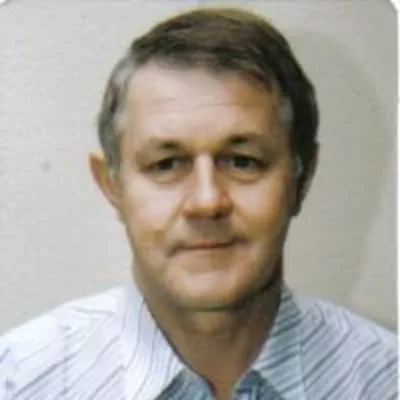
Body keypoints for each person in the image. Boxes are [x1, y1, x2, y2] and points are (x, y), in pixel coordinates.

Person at [0, 7, 396, 400]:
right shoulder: (19, 381)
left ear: (301, 177)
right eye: (166, 164)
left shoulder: (386, 381)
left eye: (243, 161)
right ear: (113, 186)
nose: (206, 202)